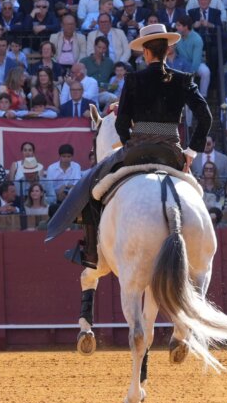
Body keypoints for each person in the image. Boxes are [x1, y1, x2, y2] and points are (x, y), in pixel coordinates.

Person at [47, 23, 212, 268]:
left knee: (94, 185)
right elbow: (205, 117)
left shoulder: (134, 79)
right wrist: (190, 151)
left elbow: (122, 124)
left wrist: (130, 143)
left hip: (137, 150)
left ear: (146, 52)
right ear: (167, 50)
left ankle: (91, 252)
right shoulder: (183, 79)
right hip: (172, 153)